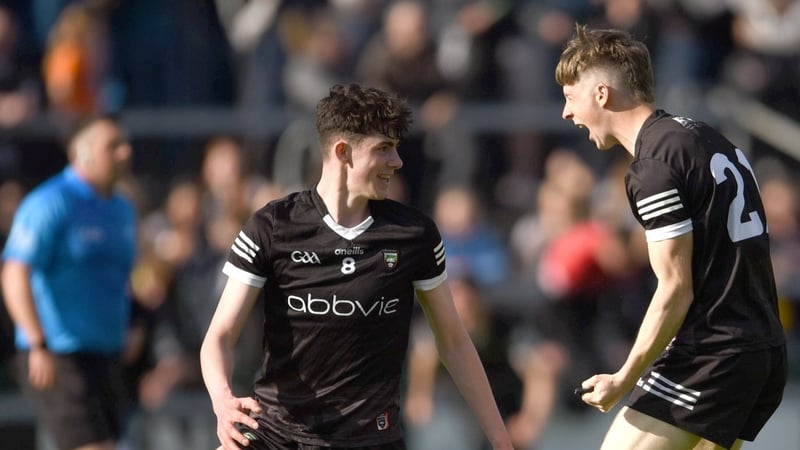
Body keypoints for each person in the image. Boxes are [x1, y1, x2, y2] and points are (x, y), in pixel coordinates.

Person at [200, 83, 513, 450]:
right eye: (383, 149)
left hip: (370, 442)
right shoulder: (272, 226)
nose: (397, 162)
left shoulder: (413, 235)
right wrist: (223, 402)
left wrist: (500, 439)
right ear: (342, 152)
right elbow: (219, 336)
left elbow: (454, 342)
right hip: (277, 436)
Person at [556, 24, 787, 450]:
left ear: (601, 94)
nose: (566, 113)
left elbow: (675, 287)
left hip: (713, 352)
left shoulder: (653, 167)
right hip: (761, 346)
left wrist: (624, 375)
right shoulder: (705, 136)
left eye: (571, 97)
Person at [1, 113, 136, 450]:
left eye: (125, 144)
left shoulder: (121, 209)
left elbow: (120, 276)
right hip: (61, 354)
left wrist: (134, 324)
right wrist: (37, 343)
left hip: (106, 355)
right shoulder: (50, 202)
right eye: (113, 146)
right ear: (83, 152)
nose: (126, 152)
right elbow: (15, 272)